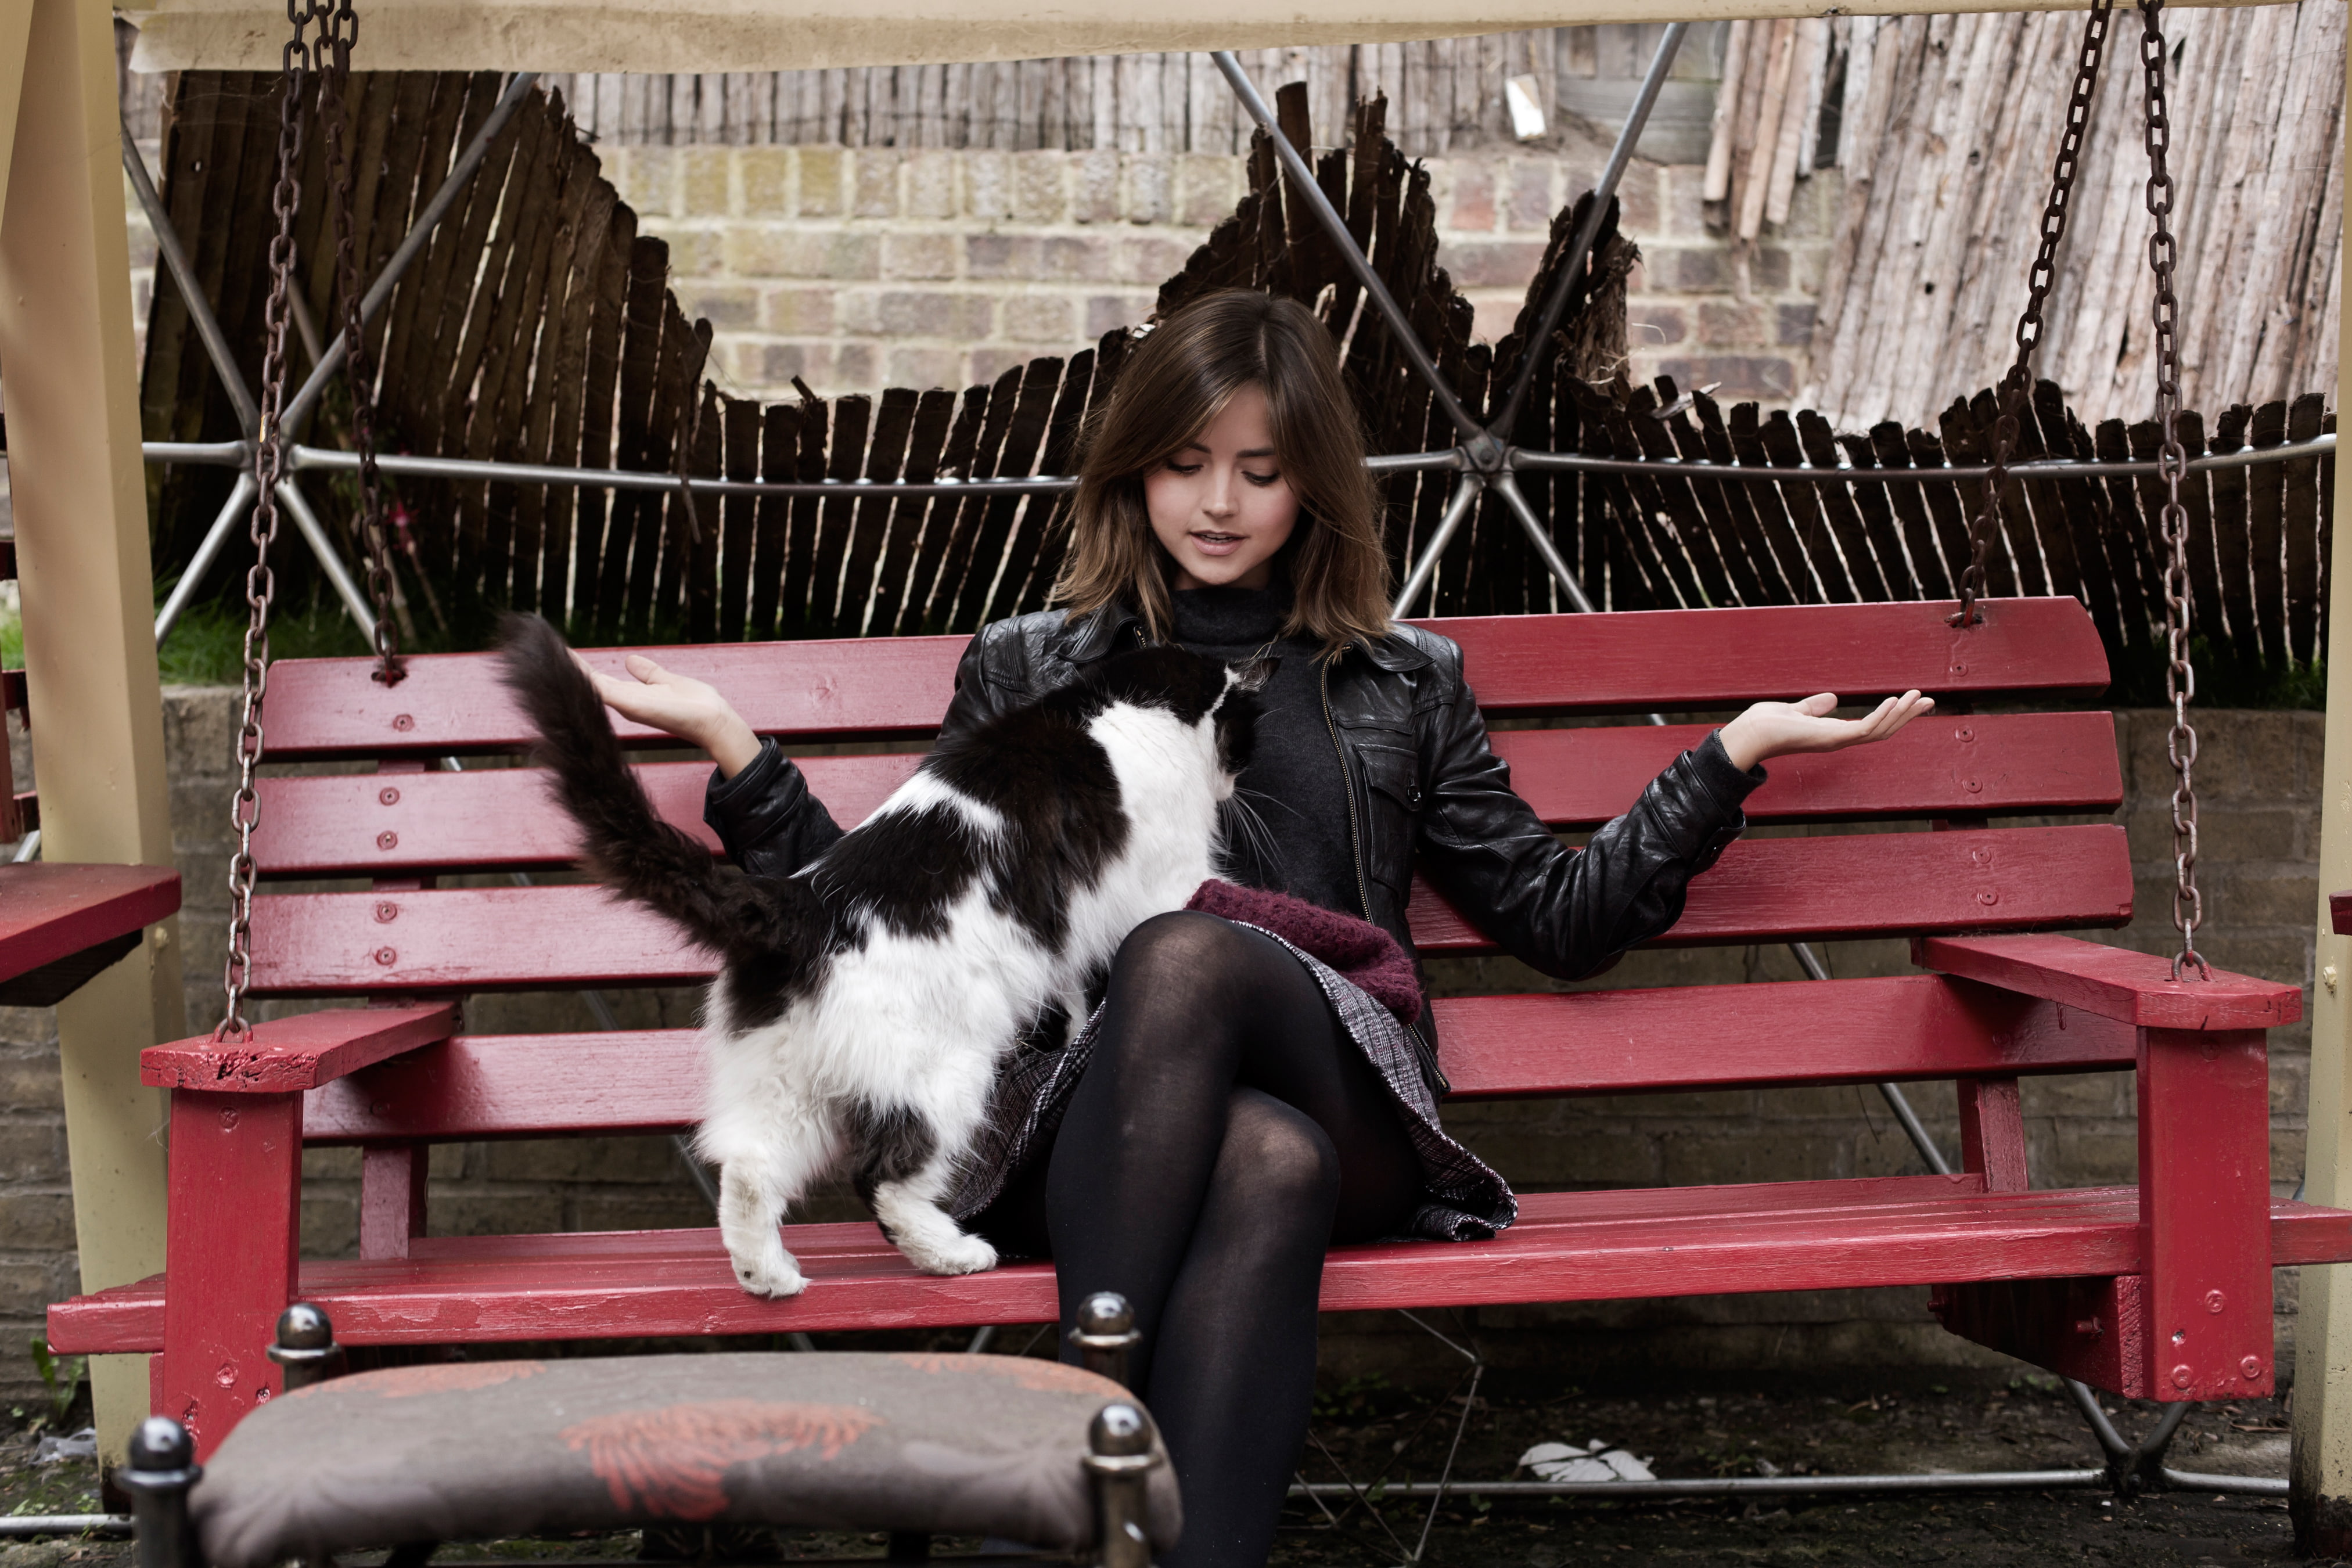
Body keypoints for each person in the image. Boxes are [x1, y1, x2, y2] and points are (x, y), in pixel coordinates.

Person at [578, 289, 1932, 1567]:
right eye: (1183, 462)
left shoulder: (1404, 680)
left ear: (1313, 486)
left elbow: (1558, 919)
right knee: (1260, 1161)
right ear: (1134, 473)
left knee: (1190, 960)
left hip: (1355, 1104)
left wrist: (1729, 757)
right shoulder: (1034, 669)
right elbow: (900, 927)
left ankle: (1076, 1407)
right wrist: (736, 752)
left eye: (1261, 470)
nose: (1218, 502)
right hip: (1089, 1133)